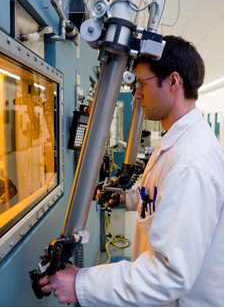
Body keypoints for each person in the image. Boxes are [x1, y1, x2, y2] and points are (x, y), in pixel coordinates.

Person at [39, 35, 224, 307]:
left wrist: (81, 284)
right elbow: (165, 197)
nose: (136, 94)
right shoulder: (175, 142)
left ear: (173, 81)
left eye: (141, 84)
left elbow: (169, 274)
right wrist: (129, 199)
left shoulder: (191, 162)